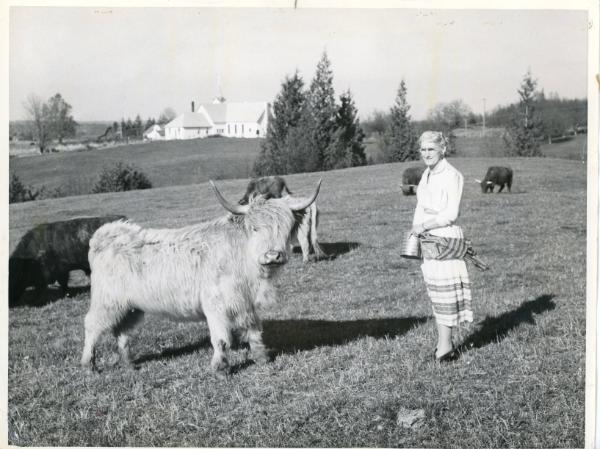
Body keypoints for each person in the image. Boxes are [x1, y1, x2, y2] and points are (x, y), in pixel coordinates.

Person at [411, 131, 472, 362]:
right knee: (435, 292)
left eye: (431, 149)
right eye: (423, 150)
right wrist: (415, 229)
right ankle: (443, 344)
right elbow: (420, 204)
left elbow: (451, 214)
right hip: (427, 239)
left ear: (442, 149)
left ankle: (445, 348)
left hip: (443, 238)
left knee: (445, 294)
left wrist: (425, 225)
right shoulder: (427, 174)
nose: (426, 154)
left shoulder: (452, 175)